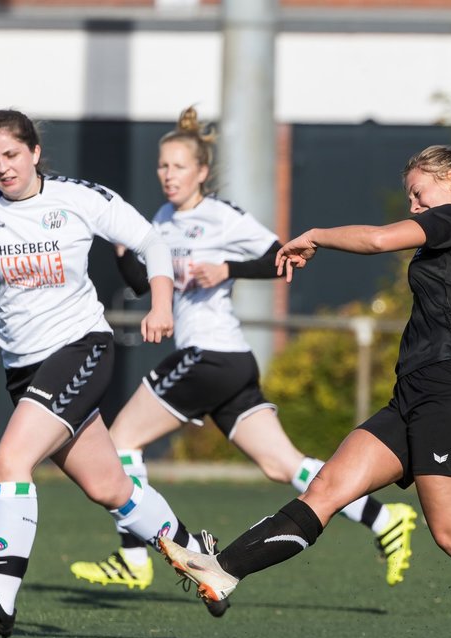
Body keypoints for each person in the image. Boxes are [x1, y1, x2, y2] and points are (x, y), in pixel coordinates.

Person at [156, 144, 451, 638]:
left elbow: (380, 240)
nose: (415, 206)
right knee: (324, 491)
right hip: (415, 396)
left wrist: (316, 235)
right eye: (411, 196)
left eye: (420, 192)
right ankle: (223, 570)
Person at [68, 106, 417, 593]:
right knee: (283, 465)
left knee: (122, 441)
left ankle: (132, 557)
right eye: (162, 167)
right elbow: (140, 284)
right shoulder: (161, 220)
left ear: (202, 172)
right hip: (223, 365)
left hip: (211, 355)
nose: (168, 176)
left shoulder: (221, 216)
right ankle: (384, 519)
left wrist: (226, 270)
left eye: (178, 167)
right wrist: (123, 247)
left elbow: (282, 259)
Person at [0, 109, 217, 638]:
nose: (2, 167)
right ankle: (199, 559)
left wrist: (162, 304)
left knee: (11, 459)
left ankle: (1, 601)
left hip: (82, 348)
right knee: (110, 487)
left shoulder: (79, 198)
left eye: (11, 155)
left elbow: (151, 242)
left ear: (34, 152)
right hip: (23, 370)